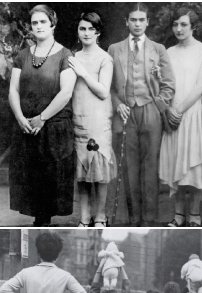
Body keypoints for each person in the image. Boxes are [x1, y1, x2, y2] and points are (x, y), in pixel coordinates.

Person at [108, 3, 176, 227]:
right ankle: (133, 217)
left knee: (150, 166)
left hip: (150, 111)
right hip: (126, 112)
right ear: (126, 21)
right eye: (133, 20)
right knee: (128, 167)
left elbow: (168, 85)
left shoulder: (158, 49)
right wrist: (117, 103)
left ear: (147, 22)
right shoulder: (114, 49)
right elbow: (108, 86)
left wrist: (159, 105)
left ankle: (148, 218)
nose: (137, 24)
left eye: (141, 20)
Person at [8, 4, 76, 227]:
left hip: (52, 127)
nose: (38, 26)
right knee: (31, 178)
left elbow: (66, 92)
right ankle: (39, 220)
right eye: (34, 23)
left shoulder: (65, 55)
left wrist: (42, 117)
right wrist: (20, 118)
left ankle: (43, 222)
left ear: (53, 25)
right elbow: (13, 91)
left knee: (49, 180)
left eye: (43, 22)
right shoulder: (22, 56)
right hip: (27, 127)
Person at [159, 8, 202, 227]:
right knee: (176, 163)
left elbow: (200, 86)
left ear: (193, 27)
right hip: (172, 115)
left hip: (191, 113)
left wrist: (179, 110)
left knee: (193, 165)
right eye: (175, 25)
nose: (179, 29)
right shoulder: (168, 52)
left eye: (184, 25)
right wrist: (169, 110)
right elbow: (163, 84)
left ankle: (195, 214)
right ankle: (179, 214)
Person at [68, 11, 115, 227]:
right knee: (82, 172)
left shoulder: (105, 58)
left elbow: (104, 91)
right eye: (82, 28)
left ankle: (101, 217)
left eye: (91, 29)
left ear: (98, 32)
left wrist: (84, 73)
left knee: (99, 170)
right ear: (78, 32)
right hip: (78, 119)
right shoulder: (72, 58)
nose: (86, 33)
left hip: (98, 121)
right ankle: (84, 217)